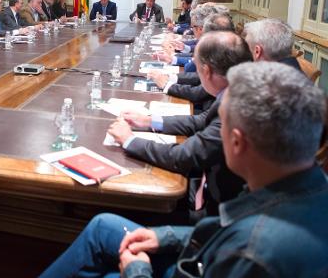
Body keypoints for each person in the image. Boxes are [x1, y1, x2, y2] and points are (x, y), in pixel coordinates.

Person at [41, 61, 327, 278]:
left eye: (221, 126)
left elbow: (234, 242)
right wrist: (166, 236)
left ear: (237, 142)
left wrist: (137, 271)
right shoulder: (311, 186)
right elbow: (223, 230)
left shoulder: (250, 253)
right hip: (201, 251)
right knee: (103, 226)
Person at [110, 32, 253, 218]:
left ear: (207, 71)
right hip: (213, 188)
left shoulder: (235, 106)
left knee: (121, 211)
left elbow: (182, 156)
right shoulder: (236, 89)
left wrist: (130, 140)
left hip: (215, 211)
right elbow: (201, 121)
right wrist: (149, 120)